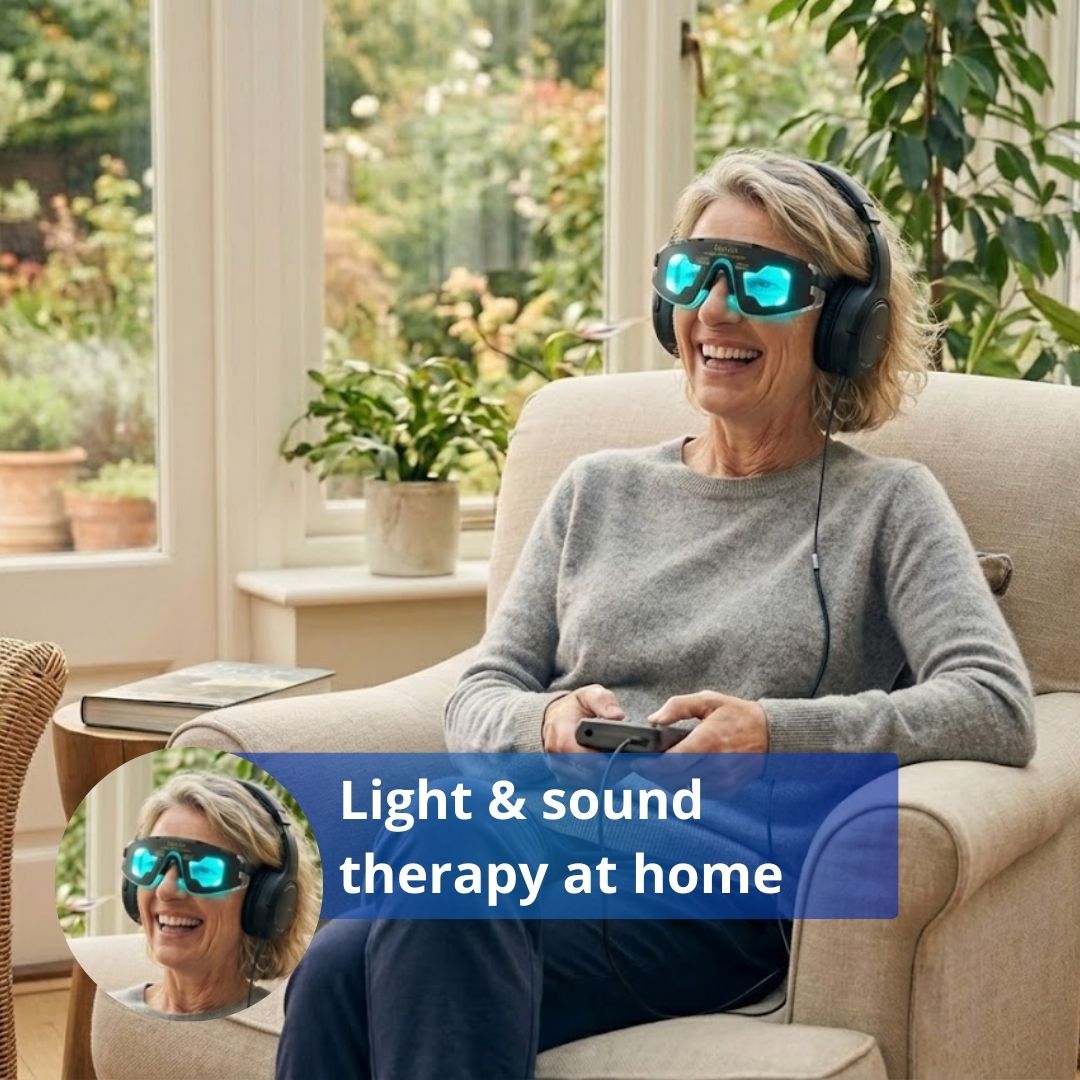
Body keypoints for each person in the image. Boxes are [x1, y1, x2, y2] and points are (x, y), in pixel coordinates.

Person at [276, 149, 1034, 1078]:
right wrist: (545, 718)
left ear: (844, 323)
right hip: (525, 858)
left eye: (760, 280)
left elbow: (995, 704)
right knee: (335, 966)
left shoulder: (891, 506)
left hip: (708, 898)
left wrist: (774, 735)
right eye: (693, 272)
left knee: (437, 875)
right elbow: (482, 685)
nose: (716, 308)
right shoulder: (598, 487)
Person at [114, 771, 320, 1020]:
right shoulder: (113, 1011)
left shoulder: (287, 1024)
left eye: (204, 870)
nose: (165, 890)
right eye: (151, 862)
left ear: (266, 900)